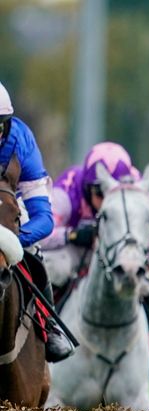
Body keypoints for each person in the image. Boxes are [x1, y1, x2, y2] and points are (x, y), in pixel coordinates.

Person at [42, 142, 149, 385]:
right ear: (87, 188)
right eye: (100, 193)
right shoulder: (67, 190)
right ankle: (46, 338)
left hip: (117, 254)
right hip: (76, 250)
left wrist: (132, 251)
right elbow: (39, 234)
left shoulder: (139, 189)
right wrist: (72, 235)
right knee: (56, 268)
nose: (106, 199)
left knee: (147, 285)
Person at [0, 81, 75, 362]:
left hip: (10, 204)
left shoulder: (21, 142)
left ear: (6, 125)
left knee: (35, 254)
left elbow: (44, 219)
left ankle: (49, 327)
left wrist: (11, 241)